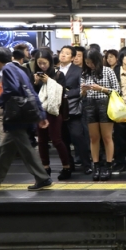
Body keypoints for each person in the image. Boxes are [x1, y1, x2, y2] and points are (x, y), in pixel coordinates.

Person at [0, 47, 52, 190]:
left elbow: (11, 89)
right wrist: (40, 114)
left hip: (16, 115)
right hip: (26, 112)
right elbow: (31, 92)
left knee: (26, 148)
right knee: (6, 148)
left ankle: (42, 178)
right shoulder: (20, 69)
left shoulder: (7, 70)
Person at [32, 48, 72, 180]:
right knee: (42, 141)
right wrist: (36, 83)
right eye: (39, 63)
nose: (42, 66)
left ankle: (66, 167)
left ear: (50, 61)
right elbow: (33, 93)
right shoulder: (35, 75)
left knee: (56, 139)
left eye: (44, 63)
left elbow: (61, 91)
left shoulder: (58, 75)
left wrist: (49, 81)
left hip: (54, 111)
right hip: (40, 111)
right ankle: (45, 167)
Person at [81, 49, 120, 181]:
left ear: (97, 60)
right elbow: (81, 94)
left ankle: (108, 166)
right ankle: (96, 166)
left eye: (91, 62)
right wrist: (83, 91)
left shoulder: (108, 71)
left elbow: (117, 90)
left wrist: (101, 89)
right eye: (87, 63)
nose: (90, 65)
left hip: (105, 104)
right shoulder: (85, 73)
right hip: (90, 105)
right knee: (94, 137)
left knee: (107, 137)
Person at [57, 45, 92, 175]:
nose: (63, 55)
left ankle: (86, 164)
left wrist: (67, 94)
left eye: (67, 53)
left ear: (72, 58)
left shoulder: (78, 71)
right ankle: (68, 164)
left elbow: (82, 88)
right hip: (58, 109)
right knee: (63, 139)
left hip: (73, 108)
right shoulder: (54, 70)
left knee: (78, 137)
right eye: (62, 52)